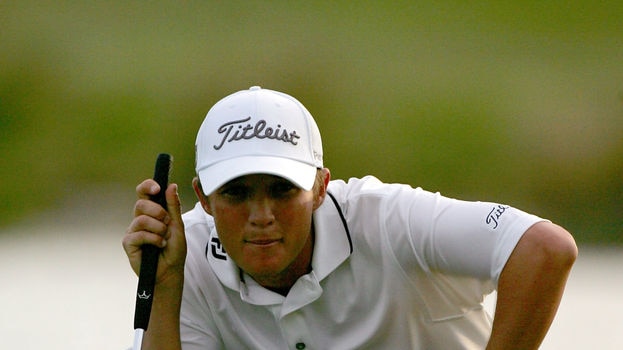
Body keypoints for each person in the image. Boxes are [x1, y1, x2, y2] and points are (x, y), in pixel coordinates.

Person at [123, 86, 578, 349]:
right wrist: (165, 289)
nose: (260, 216)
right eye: (237, 194)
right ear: (202, 198)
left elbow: (545, 248)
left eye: (282, 190)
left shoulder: (389, 219)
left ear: (320, 187)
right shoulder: (187, 260)